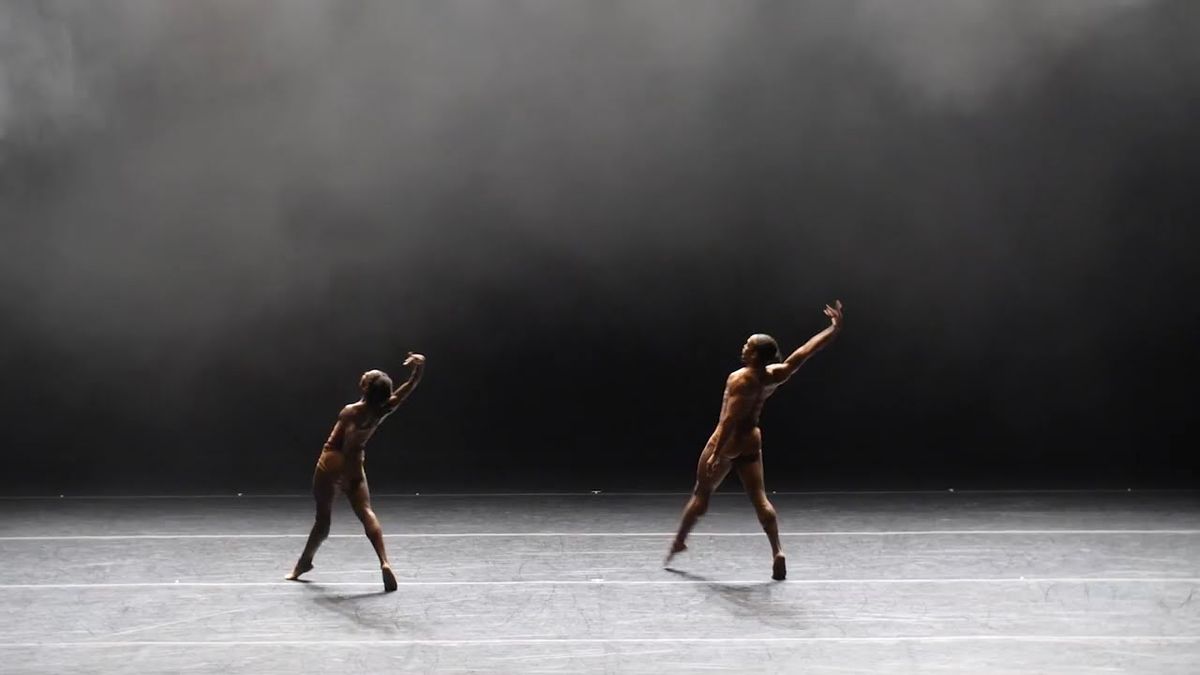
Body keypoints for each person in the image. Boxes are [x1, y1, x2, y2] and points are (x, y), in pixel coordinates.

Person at [665, 302, 844, 580]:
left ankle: (679, 540)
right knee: (759, 498)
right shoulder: (776, 373)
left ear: (756, 355)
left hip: (729, 440)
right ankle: (777, 551)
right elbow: (807, 350)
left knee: (701, 493)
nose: (744, 347)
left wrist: (716, 454)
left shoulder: (739, 380)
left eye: (748, 346)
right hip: (751, 439)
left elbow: (729, 420)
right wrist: (833, 329)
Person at [286, 352, 426, 591]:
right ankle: (384, 561)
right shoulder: (383, 409)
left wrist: (344, 469)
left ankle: (303, 563)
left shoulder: (350, 411)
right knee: (366, 512)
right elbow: (405, 391)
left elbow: (348, 440)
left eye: (369, 375)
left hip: (333, 460)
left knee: (323, 519)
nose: (366, 373)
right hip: (354, 463)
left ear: (365, 387)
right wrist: (417, 371)